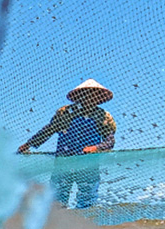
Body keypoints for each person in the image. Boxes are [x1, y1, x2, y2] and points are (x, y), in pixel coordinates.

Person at [17, 79, 116, 208]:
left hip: (88, 165)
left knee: (86, 203)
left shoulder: (103, 116)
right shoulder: (65, 113)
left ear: (99, 98)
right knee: (57, 202)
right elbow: (48, 130)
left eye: (95, 95)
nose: (91, 98)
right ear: (80, 96)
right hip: (63, 163)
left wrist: (95, 148)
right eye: (87, 94)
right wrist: (28, 144)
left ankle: (83, 226)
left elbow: (110, 141)